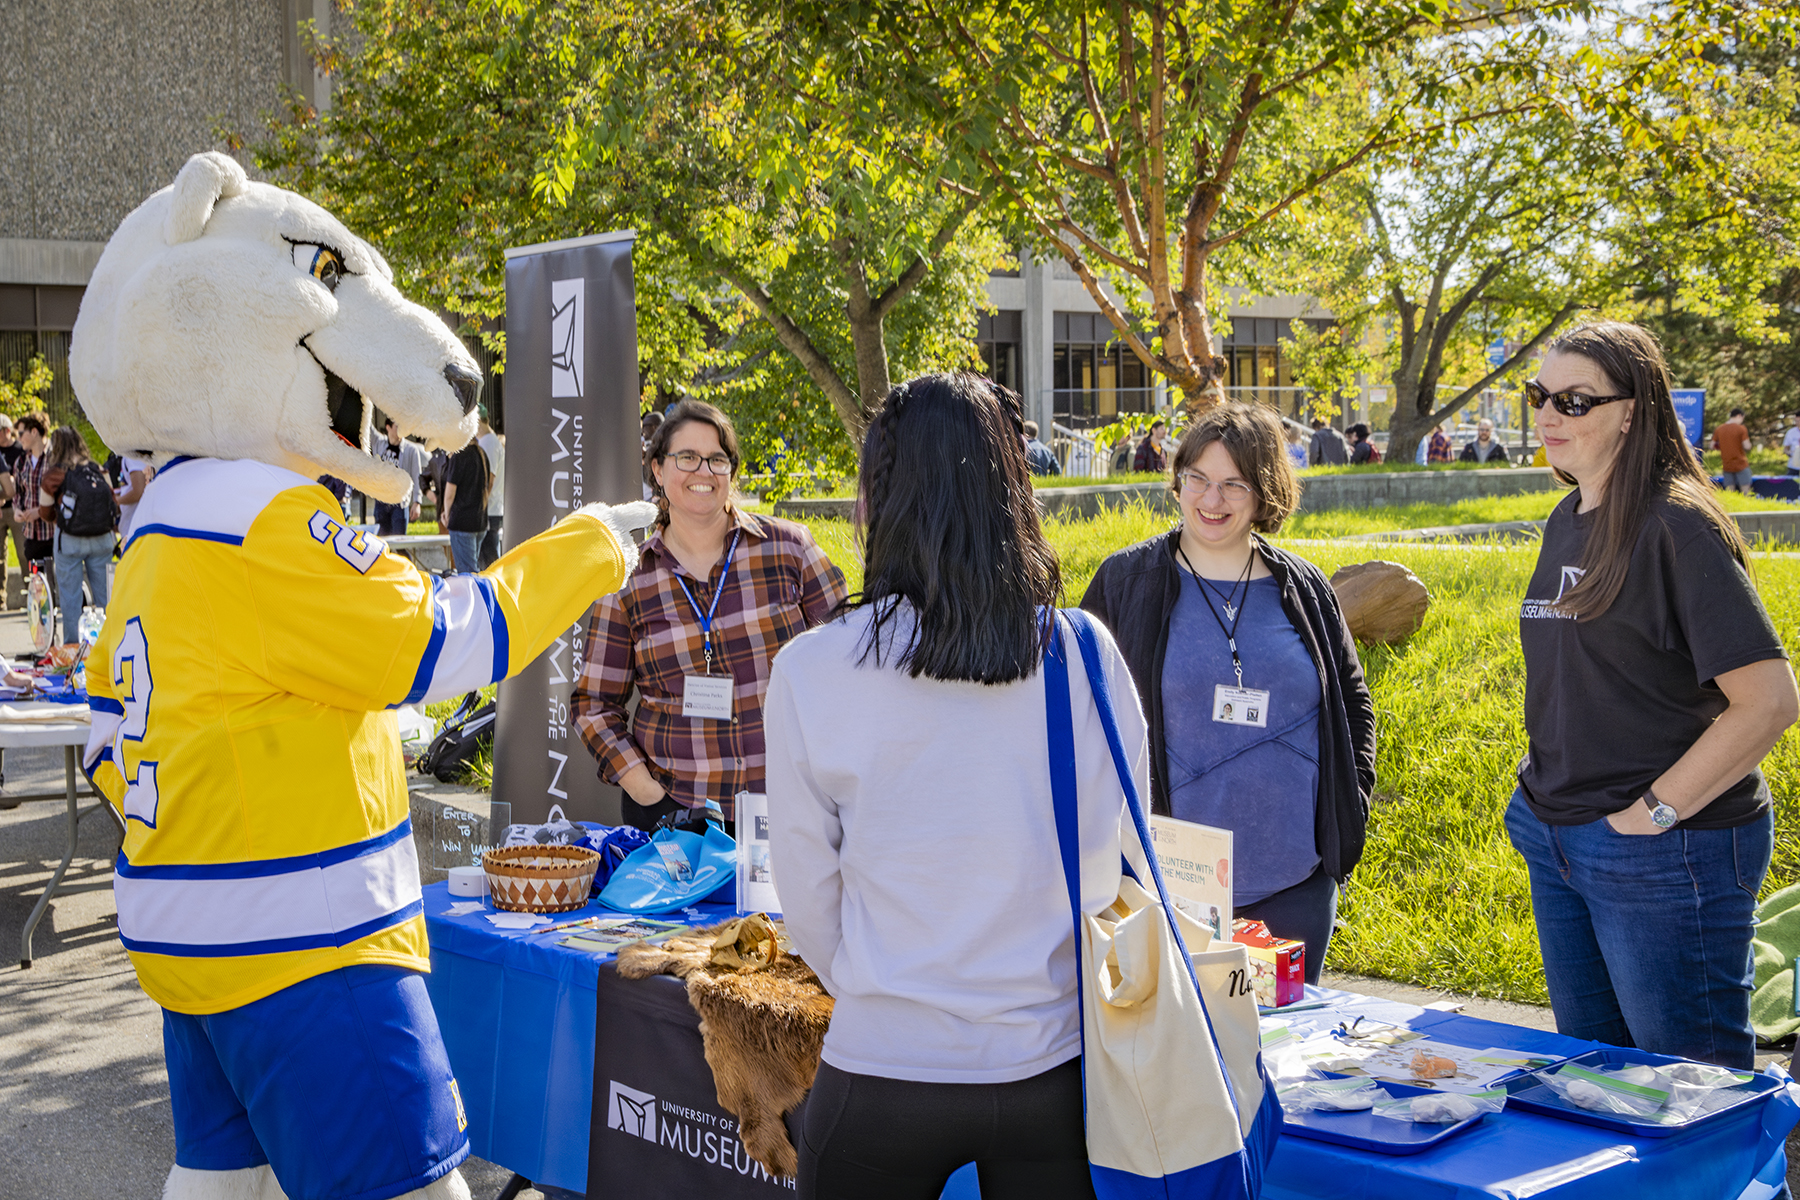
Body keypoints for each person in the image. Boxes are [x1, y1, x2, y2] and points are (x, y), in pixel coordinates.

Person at [767, 371, 1132, 1199]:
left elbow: (807, 890)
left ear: (879, 500)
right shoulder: (1081, 652)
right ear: (1014, 488)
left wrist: (879, 979)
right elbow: (1108, 862)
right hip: (1049, 1062)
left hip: (882, 1064)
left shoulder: (815, 666)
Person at [1508, 321, 1797, 1069]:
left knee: (1691, 1093)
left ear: (1632, 411)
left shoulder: (1677, 525)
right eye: (1541, 395)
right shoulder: (1567, 517)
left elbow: (1768, 700)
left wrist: (1651, 816)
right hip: (1558, 835)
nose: (1547, 415)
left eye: (1574, 401)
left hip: (1666, 850)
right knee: (1600, 1083)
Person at [1081, 403, 1375, 981]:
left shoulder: (1306, 587)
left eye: (1233, 485)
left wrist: (1351, 798)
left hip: (1295, 881)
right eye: (1198, 480)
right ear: (1178, 481)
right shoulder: (1126, 582)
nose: (1211, 501)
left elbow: (1352, 700)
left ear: (1264, 493)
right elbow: (1082, 710)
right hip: (1167, 885)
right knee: (1179, 1057)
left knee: (1284, 1053)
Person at [573, 399, 846, 834]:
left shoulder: (790, 549)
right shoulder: (628, 579)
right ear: (658, 471)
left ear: (732, 472)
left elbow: (851, 657)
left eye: (717, 459)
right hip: (675, 817)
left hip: (789, 808)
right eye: (687, 457)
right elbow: (593, 704)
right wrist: (646, 791)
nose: (703, 471)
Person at [38, 425, 116, 645]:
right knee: (105, 598)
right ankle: (109, 646)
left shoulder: (54, 474)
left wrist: (62, 519)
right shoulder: (98, 469)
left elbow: (45, 511)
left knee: (71, 599)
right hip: (102, 539)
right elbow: (113, 503)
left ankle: (73, 649)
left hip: (70, 541)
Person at [437, 439, 489, 573]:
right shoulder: (482, 454)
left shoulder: (459, 455)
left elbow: (449, 493)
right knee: (473, 570)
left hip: (462, 522)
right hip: (479, 520)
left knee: (468, 575)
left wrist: (446, 514)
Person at [371, 414, 425, 537]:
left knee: (400, 544)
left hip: (399, 503)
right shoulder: (379, 443)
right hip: (381, 501)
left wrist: (417, 502)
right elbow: (367, 426)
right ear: (388, 427)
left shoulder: (411, 450)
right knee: (383, 543)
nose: (401, 430)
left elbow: (417, 477)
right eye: (397, 426)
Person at [14, 412, 52, 573]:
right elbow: (18, 494)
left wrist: (42, 511)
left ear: (34, 431)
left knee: (56, 586)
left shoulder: (55, 457)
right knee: (37, 588)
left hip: (53, 535)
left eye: (22, 433)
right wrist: (17, 511)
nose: (19, 438)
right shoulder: (21, 462)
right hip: (31, 537)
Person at [477, 408, 505, 566]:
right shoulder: (489, 441)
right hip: (490, 510)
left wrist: (479, 507)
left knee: (489, 563)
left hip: (489, 511)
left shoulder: (489, 443)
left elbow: (489, 480)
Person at [110, 452, 151, 546]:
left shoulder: (132, 457)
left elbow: (138, 491)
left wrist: (116, 501)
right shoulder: (130, 457)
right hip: (134, 527)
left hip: (133, 529)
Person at [1713, 408, 1752, 493]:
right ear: (1739, 416)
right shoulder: (1741, 428)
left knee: (1730, 493)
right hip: (1741, 464)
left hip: (1727, 465)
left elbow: (1712, 445)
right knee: (1746, 491)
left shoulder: (1719, 429)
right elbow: (1747, 446)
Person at [641, 409, 664, 501]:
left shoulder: (665, 446)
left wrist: (646, 457)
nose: (643, 430)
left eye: (645, 426)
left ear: (655, 427)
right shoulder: (646, 445)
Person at [1782, 413, 1800, 477]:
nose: (1797, 423)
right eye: (1796, 421)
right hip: (1793, 466)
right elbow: (1785, 449)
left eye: (1799, 421)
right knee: (1790, 484)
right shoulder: (1791, 432)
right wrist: (1789, 453)